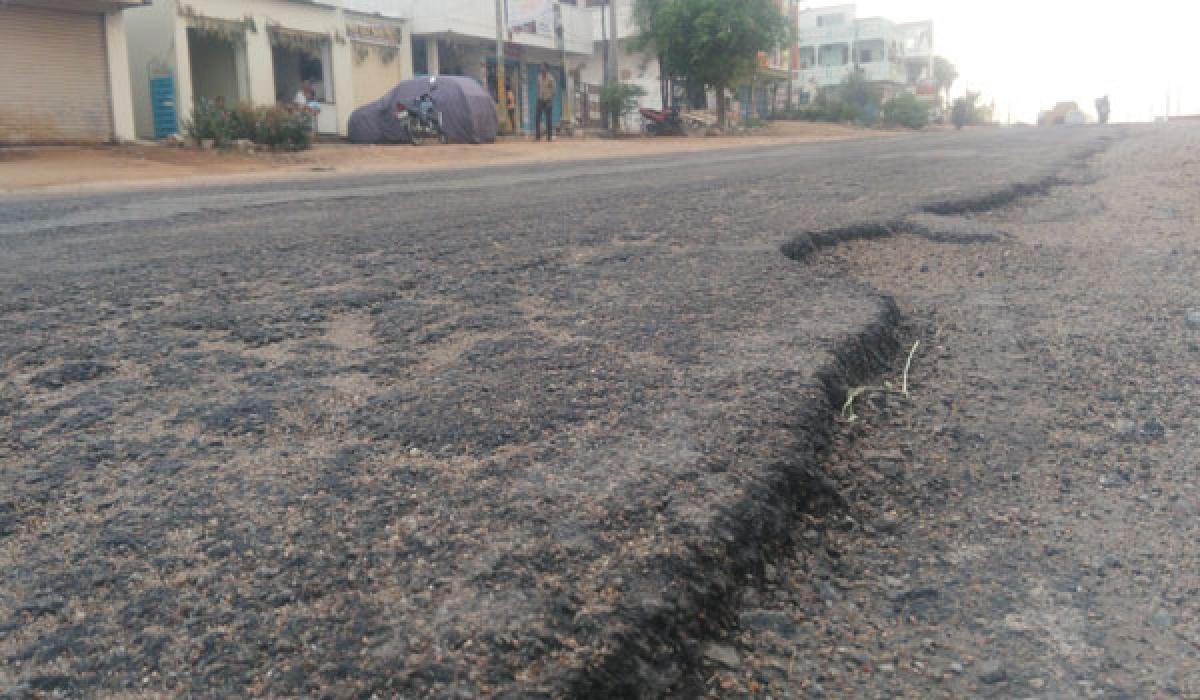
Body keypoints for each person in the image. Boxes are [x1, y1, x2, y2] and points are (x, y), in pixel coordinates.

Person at [535, 64, 556, 142]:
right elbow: (538, 87)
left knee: (548, 119)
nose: (541, 68)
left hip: (548, 100)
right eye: (541, 67)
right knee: (537, 118)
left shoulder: (551, 78)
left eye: (543, 67)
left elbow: (554, 91)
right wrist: (538, 97)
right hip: (540, 100)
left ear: (547, 69)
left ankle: (549, 137)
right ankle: (537, 137)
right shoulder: (539, 77)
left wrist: (550, 100)